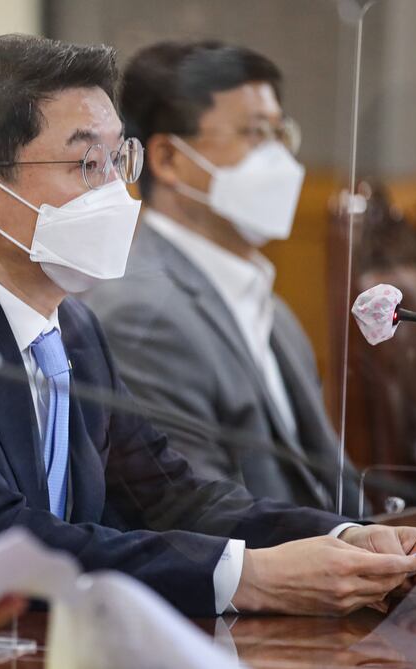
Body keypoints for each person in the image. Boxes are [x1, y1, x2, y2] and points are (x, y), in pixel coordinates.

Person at [0, 34, 416, 619]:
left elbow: (171, 495)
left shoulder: (73, 326)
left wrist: (345, 537)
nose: (118, 190)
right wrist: (252, 577)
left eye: (118, 157)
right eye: (87, 162)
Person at [84, 40, 362, 515]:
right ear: (168, 159)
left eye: (281, 133)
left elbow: (331, 484)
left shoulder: (271, 307)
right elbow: (203, 514)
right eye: (254, 133)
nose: (279, 159)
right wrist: (350, 541)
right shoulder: (141, 314)